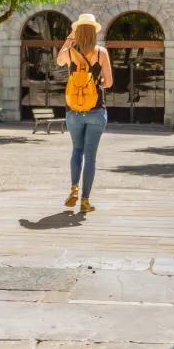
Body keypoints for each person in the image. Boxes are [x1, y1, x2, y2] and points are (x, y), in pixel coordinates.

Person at [57, 13, 113, 213]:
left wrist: (70, 37)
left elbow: (59, 60)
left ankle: (73, 188)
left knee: (76, 151)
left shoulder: (71, 52)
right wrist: (96, 83)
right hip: (96, 111)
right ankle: (85, 201)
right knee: (90, 156)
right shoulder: (101, 53)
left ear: (78, 31)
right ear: (94, 32)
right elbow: (109, 82)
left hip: (73, 111)